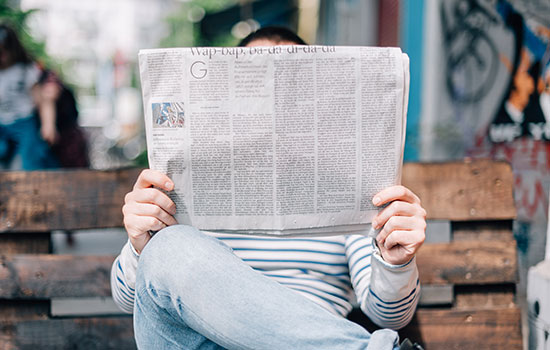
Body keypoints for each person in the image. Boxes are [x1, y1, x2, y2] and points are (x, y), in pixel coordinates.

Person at [111, 27, 426, 350]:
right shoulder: (183, 184)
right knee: (168, 247)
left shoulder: (348, 188)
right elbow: (130, 300)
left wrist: (395, 262)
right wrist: (140, 246)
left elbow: (389, 315)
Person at [0, 24, 58, 170]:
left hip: (24, 122)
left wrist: (48, 125)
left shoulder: (25, 70)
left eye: (5, 51)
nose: (3, 56)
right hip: (2, 123)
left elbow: (43, 101)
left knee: (30, 158)